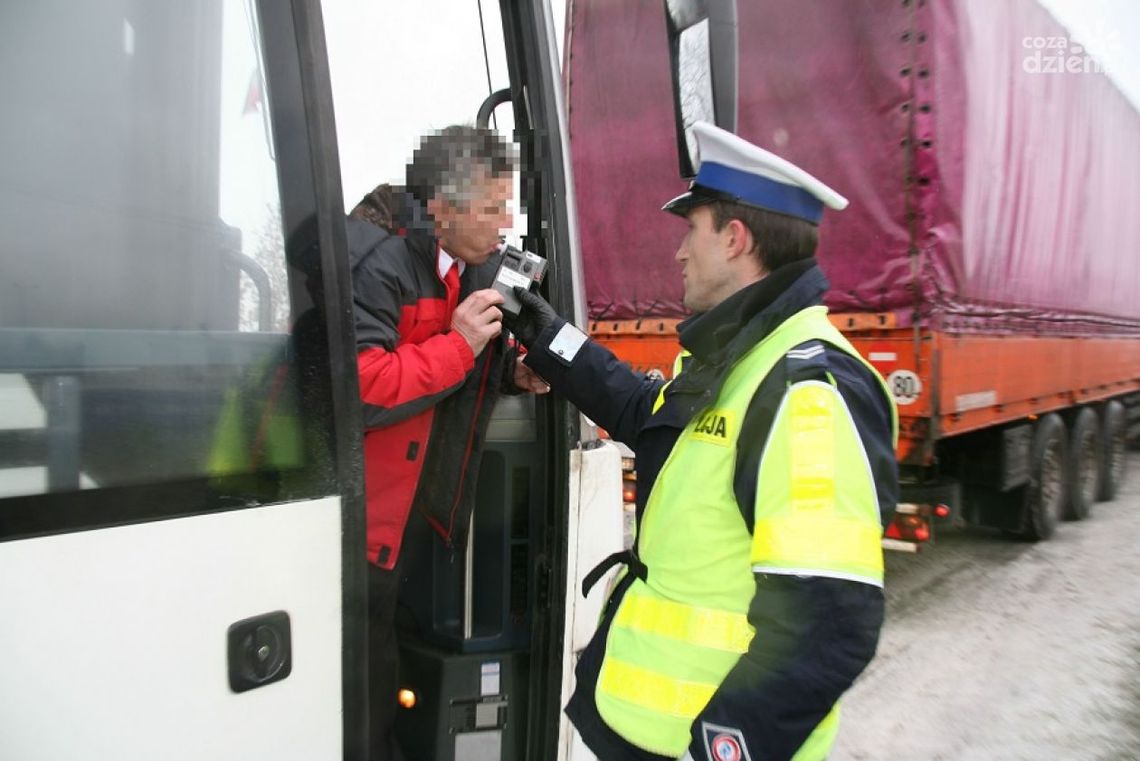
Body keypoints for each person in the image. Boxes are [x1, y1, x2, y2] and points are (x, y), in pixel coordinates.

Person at [505, 121, 899, 761]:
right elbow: (640, 407)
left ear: (735, 239)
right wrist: (549, 334)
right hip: (642, 730)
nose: (680, 253)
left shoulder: (807, 392)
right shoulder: (742, 360)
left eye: (692, 231)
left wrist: (723, 749)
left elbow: (829, 624)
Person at [347, 125, 548, 761]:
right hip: (360, 520)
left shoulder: (476, 270)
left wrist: (513, 375)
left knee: (387, 654)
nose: (505, 220)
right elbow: (361, 392)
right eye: (492, 206)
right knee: (363, 673)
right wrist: (459, 346)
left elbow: (463, 377)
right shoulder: (376, 267)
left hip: (415, 514)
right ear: (440, 207)